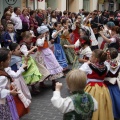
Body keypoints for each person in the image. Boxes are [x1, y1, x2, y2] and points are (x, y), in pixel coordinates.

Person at [79, 49, 114, 120]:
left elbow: (79, 73)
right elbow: (107, 64)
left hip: (91, 88)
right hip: (103, 88)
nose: (90, 57)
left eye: (91, 55)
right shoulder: (106, 66)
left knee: (88, 104)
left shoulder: (87, 66)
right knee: (102, 104)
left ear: (96, 59)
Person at [36, 25, 63, 90]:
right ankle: (41, 83)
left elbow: (46, 44)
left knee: (52, 65)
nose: (47, 33)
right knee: (43, 67)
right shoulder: (39, 39)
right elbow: (40, 44)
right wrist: (43, 38)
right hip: (42, 54)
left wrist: (50, 42)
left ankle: (53, 81)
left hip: (47, 52)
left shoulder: (45, 38)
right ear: (43, 33)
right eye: (46, 32)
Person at [0, 48, 19, 120]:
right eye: (8, 60)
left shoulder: (3, 71)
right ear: (2, 63)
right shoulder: (2, 77)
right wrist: (10, 92)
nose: (10, 61)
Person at [104, 48, 120, 120]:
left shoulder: (105, 64)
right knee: (116, 99)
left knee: (108, 101)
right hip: (115, 84)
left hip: (106, 84)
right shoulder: (117, 63)